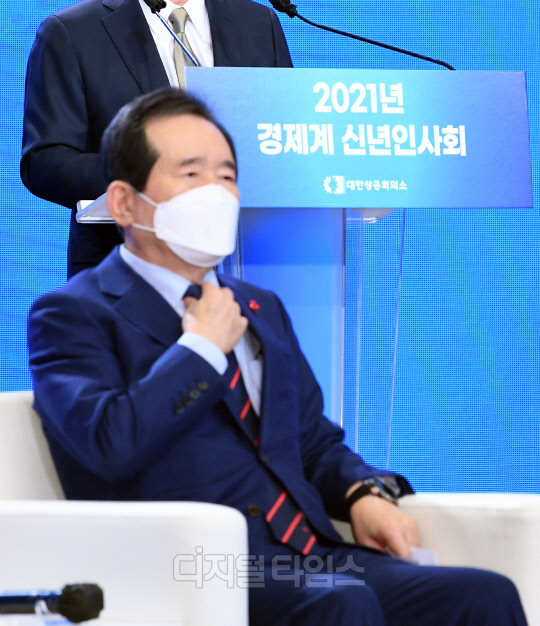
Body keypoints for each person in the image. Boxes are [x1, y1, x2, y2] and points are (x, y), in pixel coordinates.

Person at [28, 88, 527, 626]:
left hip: (306, 556)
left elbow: (311, 440)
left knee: (483, 595)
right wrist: (201, 350)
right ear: (125, 203)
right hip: (189, 566)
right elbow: (108, 442)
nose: (216, 193)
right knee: (341, 600)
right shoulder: (73, 313)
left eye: (226, 176)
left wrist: (361, 492)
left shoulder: (258, 306)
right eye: (191, 174)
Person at [21, 0, 292, 278]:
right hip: (123, 276)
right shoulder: (72, 33)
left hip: (251, 268)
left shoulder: (258, 24)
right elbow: (46, 162)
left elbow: (285, 141)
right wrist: (157, 177)